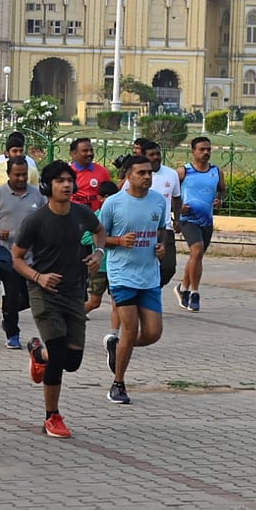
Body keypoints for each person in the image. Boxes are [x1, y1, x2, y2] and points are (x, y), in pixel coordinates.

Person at [11, 160, 105, 438]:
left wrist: (99, 254)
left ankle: (38, 352)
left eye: (69, 180)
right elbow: (16, 258)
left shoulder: (82, 214)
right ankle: (52, 417)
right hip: (44, 294)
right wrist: (38, 277)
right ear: (47, 186)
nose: (66, 185)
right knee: (59, 356)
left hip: (75, 292)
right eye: (59, 181)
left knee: (72, 360)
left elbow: (100, 232)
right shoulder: (35, 221)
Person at [98, 155, 168, 405]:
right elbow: (97, 236)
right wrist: (118, 241)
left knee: (152, 333)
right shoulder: (114, 204)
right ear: (128, 176)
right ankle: (118, 384)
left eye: (149, 172)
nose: (147, 177)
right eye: (141, 173)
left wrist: (161, 247)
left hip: (149, 276)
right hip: (122, 275)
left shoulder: (159, 201)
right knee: (130, 329)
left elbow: (162, 231)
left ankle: (117, 348)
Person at [0, 156, 47, 349]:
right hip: (7, 257)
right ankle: (12, 333)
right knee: (12, 295)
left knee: (27, 298)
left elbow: (46, 220)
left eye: (24, 174)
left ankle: (7, 312)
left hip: (31, 257)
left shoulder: (37, 195)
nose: (21, 178)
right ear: (8, 174)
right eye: (17, 175)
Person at [175, 136, 225, 312]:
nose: (206, 153)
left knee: (196, 256)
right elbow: (171, 194)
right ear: (193, 151)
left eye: (208, 150)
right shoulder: (183, 172)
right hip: (188, 219)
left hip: (206, 220)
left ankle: (182, 288)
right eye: (202, 149)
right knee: (196, 250)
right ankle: (194, 293)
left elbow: (222, 190)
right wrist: (178, 209)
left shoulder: (216, 172)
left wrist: (219, 200)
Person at [124, 139, 181, 289]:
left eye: (158, 154)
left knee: (168, 267)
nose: (156, 157)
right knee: (139, 267)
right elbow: (124, 197)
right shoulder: (135, 176)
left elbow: (177, 198)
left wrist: (178, 219)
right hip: (140, 229)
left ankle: (151, 289)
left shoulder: (171, 174)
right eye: (152, 155)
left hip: (164, 229)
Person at [85, 180, 119, 316]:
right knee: (94, 301)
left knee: (118, 301)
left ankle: (116, 331)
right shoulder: (96, 216)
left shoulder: (119, 215)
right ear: (100, 198)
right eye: (105, 196)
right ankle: (73, 317)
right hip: (100, 266)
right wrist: (98, 242)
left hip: (117, 266)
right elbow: (85, 237)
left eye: (112, 196)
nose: (109, 200)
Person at [69, 137, 112, 212]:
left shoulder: (103, 172)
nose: (90, 153)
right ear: (74, 154)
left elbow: (109, 196)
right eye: (85, 151)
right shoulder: (68, 172)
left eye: (91, 150)